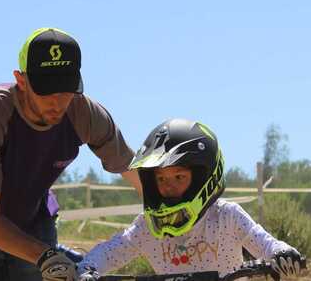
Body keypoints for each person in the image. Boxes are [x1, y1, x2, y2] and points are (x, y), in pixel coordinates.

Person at [0, 27, 141, 281]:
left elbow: (135, 171)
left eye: (66, 89)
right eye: (47, 90)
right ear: (21, 80)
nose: (57, 101)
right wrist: (46, 256)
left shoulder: (85, 114)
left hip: (33, 221)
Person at [78, 119, 303, 280]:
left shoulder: (227, 216)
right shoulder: (147, 227)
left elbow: (263, 241)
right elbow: (111, 251)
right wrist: (88, 268)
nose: (169, 186)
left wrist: (282, 253)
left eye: (179, 176)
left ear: (203, 178)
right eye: (161, 178)